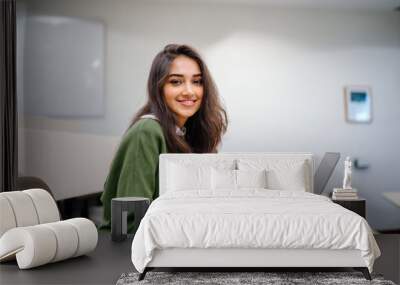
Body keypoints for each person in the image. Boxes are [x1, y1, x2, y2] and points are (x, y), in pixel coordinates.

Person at [100, 44, 228, 231]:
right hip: (134, 250)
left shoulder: (186, 133)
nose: (189, 91)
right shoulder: (147, 131)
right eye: (176, 82)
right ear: (158, 87)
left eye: (197, 82)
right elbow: (131, 220)